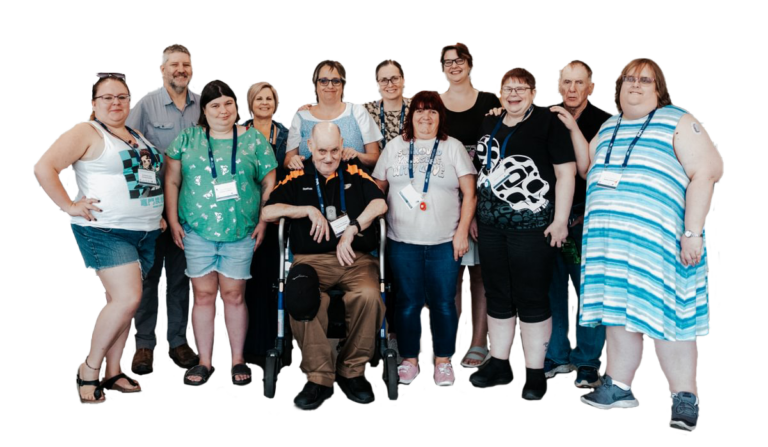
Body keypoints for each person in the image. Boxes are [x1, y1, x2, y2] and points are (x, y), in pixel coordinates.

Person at [572, 59, 722, 432]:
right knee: (618, 317)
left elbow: (709, 169)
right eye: (628, 80)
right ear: (618, 87)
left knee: (671, 321)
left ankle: (684, 396)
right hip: (610, 248)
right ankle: (619, 385)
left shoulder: (677, 120)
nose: (635, 86)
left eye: (645, 80)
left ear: (659, 89)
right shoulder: (609, 126)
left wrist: (693, 232)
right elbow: (588, 169)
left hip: (660, 247)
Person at [35, 73, 165, 403]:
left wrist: (156, 211)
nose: (115, 103)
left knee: (118, 303)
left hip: (146, 231)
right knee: (128, 299)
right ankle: (88, 370)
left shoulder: (135, 134)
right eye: (106, 97)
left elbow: (144, 178)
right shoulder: (87, 131)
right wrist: (69, 205)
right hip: (106, 230)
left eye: (121, 96)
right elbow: (44, 167)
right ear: (94, 103)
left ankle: (113, 370)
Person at [263, 122, 387, 410]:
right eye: (322, 151)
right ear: (309, 147)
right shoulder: (296, 175)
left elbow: (380, 204)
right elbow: (269, 211)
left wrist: (354, 228)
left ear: (342, 144)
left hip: (355, 259)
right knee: (304, 298)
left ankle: (351, 371)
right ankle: (319, 377)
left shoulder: (354, 171)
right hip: (310, 261)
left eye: (334, 150)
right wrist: (306, 209)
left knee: (369, 296)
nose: (329, 157)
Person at [468, 68, 576, 401]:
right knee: (497, 294)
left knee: (531, 298)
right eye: (507, 89)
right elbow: (482, 171)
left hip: (532, 229)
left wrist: (559, 221)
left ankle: (534, 372)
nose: (513, 94)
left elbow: (566, 174)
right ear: (500, 93)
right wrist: (475, 216)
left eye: (520, 88)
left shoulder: (548, 122)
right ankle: (500, 363)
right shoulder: (491, 122)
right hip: (490, 228)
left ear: (532, 92)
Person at [165, 80, 277, 386]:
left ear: (237, 107)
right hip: (197, 232)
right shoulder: (188, 139)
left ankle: (238, 359)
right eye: (215, 105)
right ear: (204, 111)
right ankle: (204, 362)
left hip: (241, 232)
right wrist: (173, 221)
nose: (223, 110)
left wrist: (263, 222)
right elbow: (172, 182)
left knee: (234, 296)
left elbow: (270, 183)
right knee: (202, 296)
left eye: (228, 103)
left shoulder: (254, 140)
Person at [372, 91, 476, 386]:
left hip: (444, 242)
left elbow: (470, 193)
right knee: (407, 303)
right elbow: (378, 187)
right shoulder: (394, 147)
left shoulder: (452, 147)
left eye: (432, 111)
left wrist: (461, 233)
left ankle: (443, 362)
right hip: (402, 241)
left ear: (440, 116)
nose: (426, 117)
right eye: (420, 111)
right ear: (411, 115)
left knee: (444, 303)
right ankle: (409, 360)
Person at [126, 44, 201, 375]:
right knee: (148, 279)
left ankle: (178, 342)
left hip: (191, 211)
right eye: (174, 64)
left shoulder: (204, 105)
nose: (180, 69)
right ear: (162, 69)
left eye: (185, 64)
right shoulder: (146, 105)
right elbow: (124, 145)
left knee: (181, 279)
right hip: (152, 211)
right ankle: (144, 345)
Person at [543, 61, 611, 388]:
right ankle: (556, 356)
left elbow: (597, 172)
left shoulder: (607, 122)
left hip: (586, 219)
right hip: (548, 217)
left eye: (579, 82)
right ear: (559, 84)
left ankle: (587, 362)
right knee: (550, 288)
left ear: (590, 87)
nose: (572, 88)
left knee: (589, 292)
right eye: (567, 81)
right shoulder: (544, 115)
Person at [439, 43, 500, 368]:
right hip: (446, 198)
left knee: (480, 273)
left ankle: (480, 343)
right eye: (448, 62)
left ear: (470, 64)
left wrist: (477, 209)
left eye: (459, 60)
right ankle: (445, 345)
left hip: (485, 197)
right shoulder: (436, 104)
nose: (454, 66)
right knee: (450, 275)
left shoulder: (491, 103)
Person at [241, 82, 293, 365]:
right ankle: (249, 350)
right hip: (243, 216)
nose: (264, 102)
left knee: (275, 282)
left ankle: (278, 348)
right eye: (258, 98)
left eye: (269, 98)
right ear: (250, 103)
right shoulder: (239, 132)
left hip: (276, 220)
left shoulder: (285, 135)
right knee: (247, 285)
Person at [284, 60, 382, 171]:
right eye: (323, 81)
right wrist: (293, 161)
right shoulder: (301, 117)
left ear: (343, 85)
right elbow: (287, 161)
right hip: (310, 186)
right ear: (315, 84)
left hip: (354, 185)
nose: (330, 86)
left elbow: (375, 157)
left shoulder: (358, 112)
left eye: (336, 81)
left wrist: (357, 155)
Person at [363, 60, 411, 147]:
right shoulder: (366, 111)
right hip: (378, 161)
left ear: (403, 80)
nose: (390, 85)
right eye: (384, 80)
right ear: (378, 83)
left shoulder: (417, 108)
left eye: (395, 78)